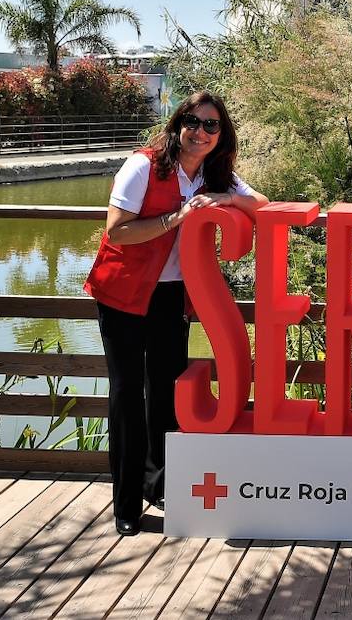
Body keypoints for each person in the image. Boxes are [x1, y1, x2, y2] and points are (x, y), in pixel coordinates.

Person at [83, 90, 267, 536]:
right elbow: (118, 232)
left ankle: (158, 485)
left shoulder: (213, 174)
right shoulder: (143, 166)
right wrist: (177, 217)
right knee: (128, 397)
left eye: (211, 125)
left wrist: (224, 201)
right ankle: (126, 504)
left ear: (221, 135)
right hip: (123, 295)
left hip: (170, 297)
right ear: (177, 124)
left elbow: (260, 204)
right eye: (193, 121)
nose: (200, 132)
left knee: (166, 393)